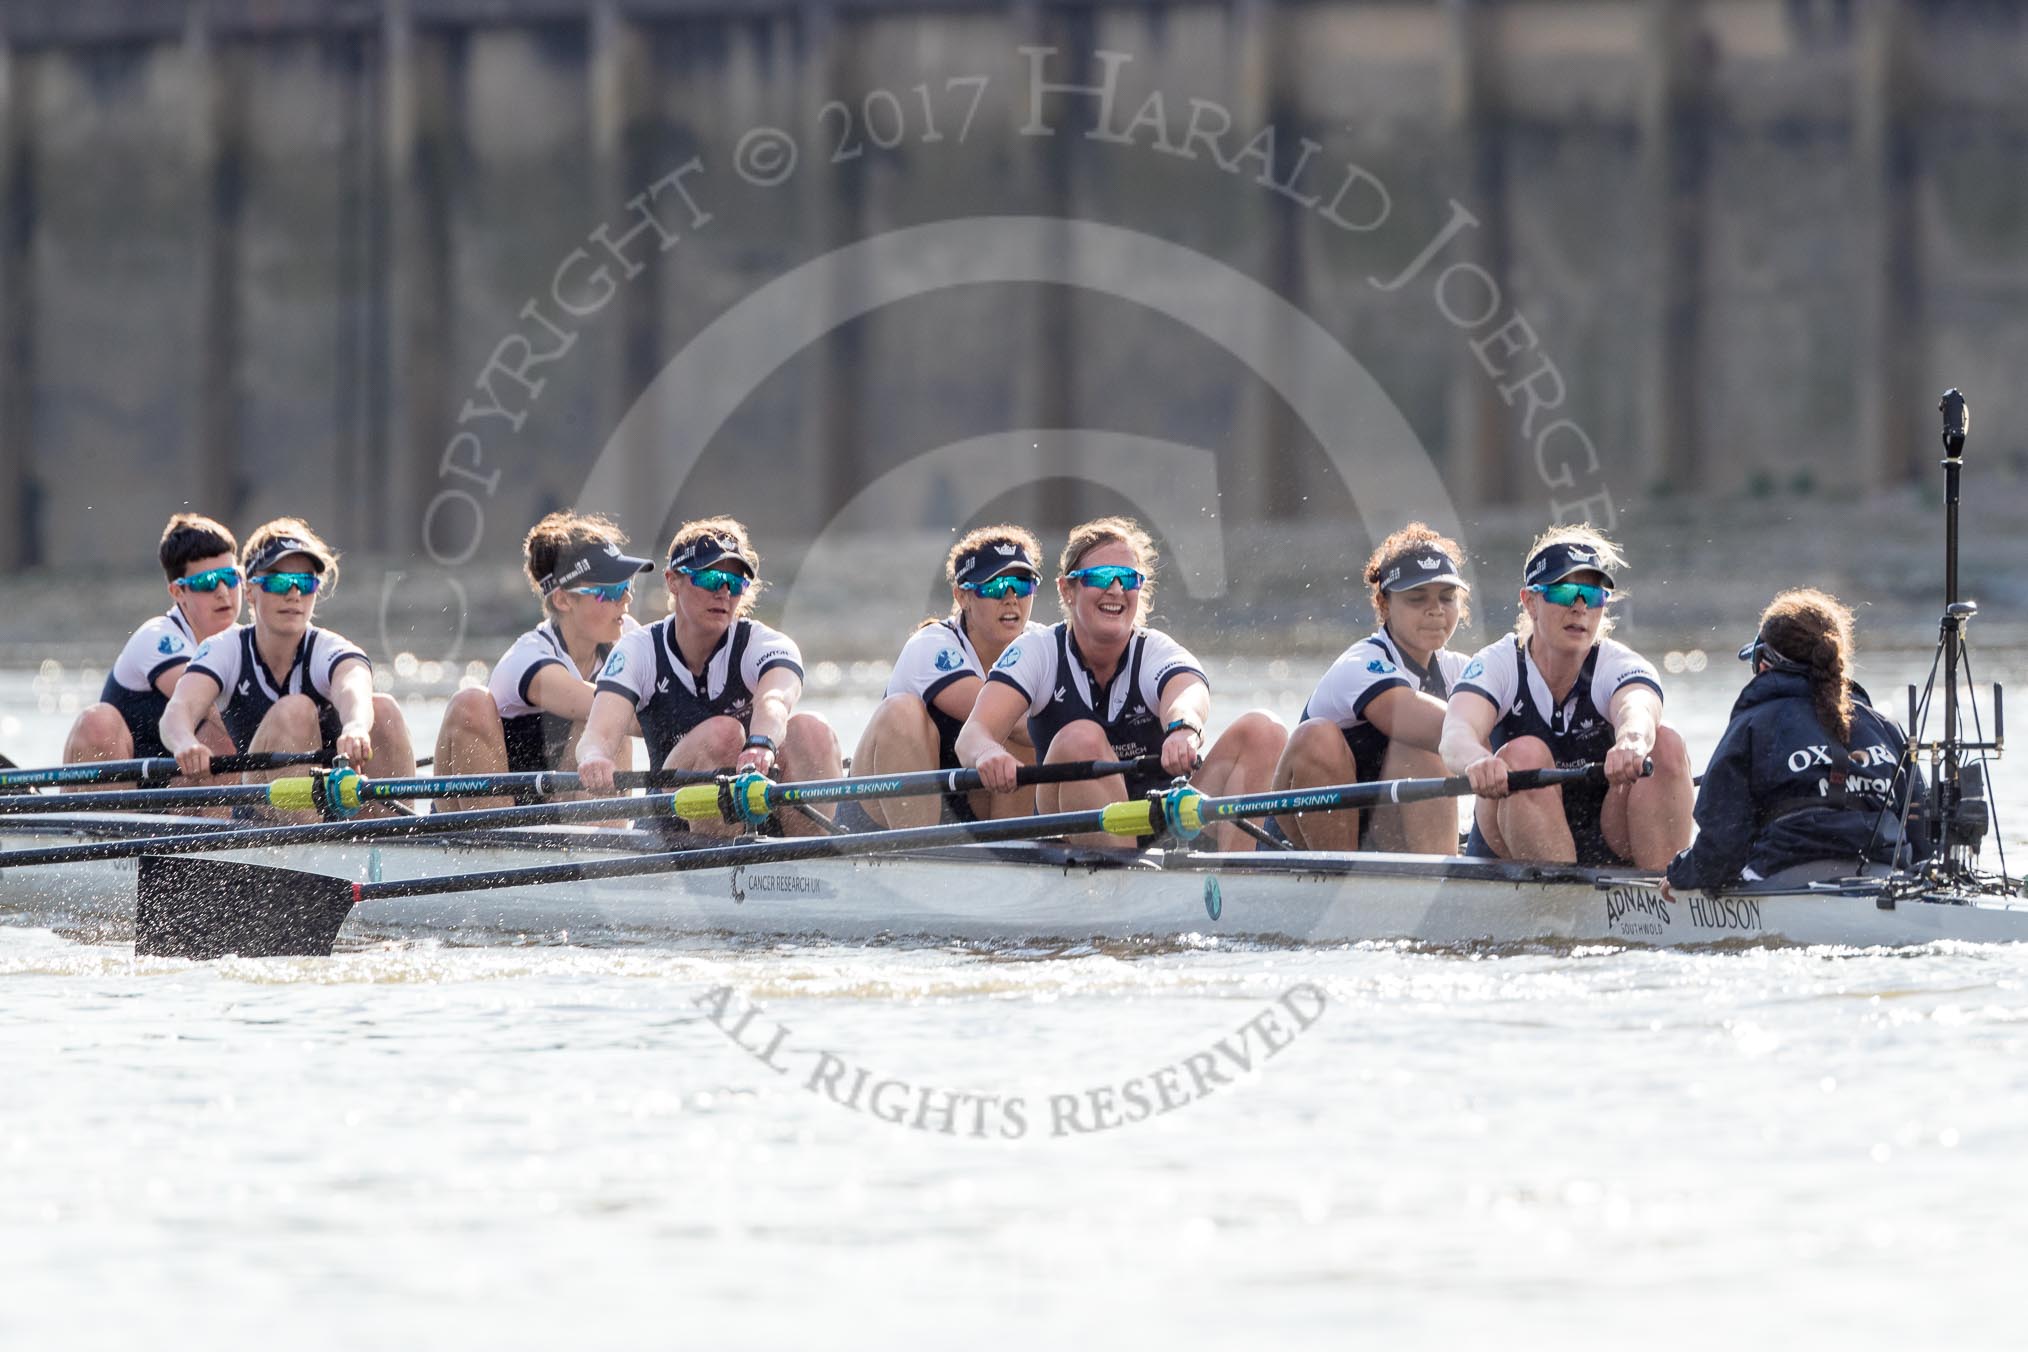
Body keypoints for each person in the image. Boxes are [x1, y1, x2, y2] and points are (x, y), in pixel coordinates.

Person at [956, 515, 1286, 850]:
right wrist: (988, 753)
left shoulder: (1154, 650)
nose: (1116, 589)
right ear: (1067, 590)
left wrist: (1183, 727)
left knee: (1264, 730)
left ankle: (1236, 875)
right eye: (1101, 577)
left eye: (1128, 579)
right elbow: (972, 734)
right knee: (1080, 739)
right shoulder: (1038, 651)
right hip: (1071, 824)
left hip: (1162, 817)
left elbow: (1187, 691)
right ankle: (1124, 870)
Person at [1439, 525, 1693, 869]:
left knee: (1665, 744)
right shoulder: (1498, 664)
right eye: (1564, 592)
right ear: (1530, 601)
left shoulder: (1618, 664)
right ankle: (1557, 893)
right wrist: (1477, 761)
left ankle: (1666, 890)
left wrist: (1632, 740)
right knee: (1525, 754)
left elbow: (1638, 707)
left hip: (1609, 837)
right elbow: (1455, 735)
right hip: (1511, 839)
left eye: (1592, 595)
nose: (1579, 608)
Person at [574, 516, 842, 836]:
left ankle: (810, 857)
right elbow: (599, 732)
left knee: (811, 730)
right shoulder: (638, 650)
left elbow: (774, 700)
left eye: (736, 583)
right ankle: (719, 861)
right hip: (673, 824)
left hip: (758, 813)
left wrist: (761, 744)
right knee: (723, 734)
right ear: (673, 581)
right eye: (711, 578)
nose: (724, 593)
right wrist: (594, 757)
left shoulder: (765, 644)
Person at [1665, 588, 1929, 894]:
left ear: (1763, 663)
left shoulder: (1752, 726)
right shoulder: (1886, 729)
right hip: (1886, 882)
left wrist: (1680, 874)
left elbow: (1720, 849)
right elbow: (1923, 840)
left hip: (1783, 879)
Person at [160, 518, 417, 815]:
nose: (294, 594)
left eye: (305, 583)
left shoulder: (329, 648)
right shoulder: (225, 650)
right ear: (250, 591)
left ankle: (393, 835)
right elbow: (178, 710)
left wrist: (356, 726)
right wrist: (184, 742)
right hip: (260, 811)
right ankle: (311, 837)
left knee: (383, 710)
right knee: (295, 709)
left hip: (333, 808)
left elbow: (353, 686)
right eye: (279, 582)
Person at [1269, 523, 1472, 853]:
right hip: (1301, 842)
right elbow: (1412, 717)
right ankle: (1339, 875)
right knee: (1322, 736)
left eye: (1446, 597)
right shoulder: (1360, 664)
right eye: (1417, 598)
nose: (1435, 609)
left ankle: (1438, 874)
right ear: (1384, 604)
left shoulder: (1460, 671)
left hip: (1384, 835)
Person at [433, 512, 651, 808]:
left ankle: (599, 833)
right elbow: (632, 716)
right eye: (610, 591)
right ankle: (495, 838)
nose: (625, 599)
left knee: (604, 719)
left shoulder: (628, 636)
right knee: (606, 713)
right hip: (495, 809)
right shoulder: (528, 658)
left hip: (558, 808)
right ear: (563, 600)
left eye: (627, 586)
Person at [847, 525, 1050, 829]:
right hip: (883, 817)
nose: (1011, 599)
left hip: (973, 808)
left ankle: (1013, 846)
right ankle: (919, 849)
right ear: (962, 596)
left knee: (1035, 729)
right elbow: (998, 714)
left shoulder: (1045, 642)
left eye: (1022, 585)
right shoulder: (932, 645)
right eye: (995, 586)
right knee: (904, 711)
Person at [63, 513, 242, 767]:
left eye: (231, 577)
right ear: (178, 592)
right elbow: (212, 706)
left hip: (181, 783)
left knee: (223, 740)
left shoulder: (247, 643)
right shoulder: (158, 638)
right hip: (124, 782)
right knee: (98, 720)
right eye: (207, 582)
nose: (223, 592)